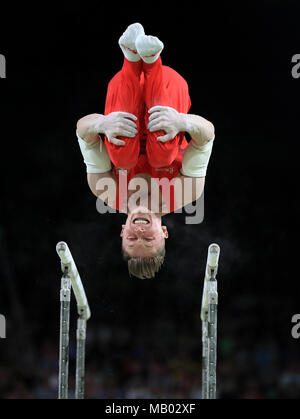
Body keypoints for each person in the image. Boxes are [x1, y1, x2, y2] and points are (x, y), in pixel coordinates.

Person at [76, 23, 215, 279]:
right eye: (149, 241)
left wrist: (101, 124)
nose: (139, 234)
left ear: (122, 231)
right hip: (167, 94)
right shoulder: (187, 191)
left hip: (125, 95)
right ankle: (151, 62)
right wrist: (182, 122)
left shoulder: (104, 189)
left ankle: (130, 57)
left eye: (131, 240)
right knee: (162, 155)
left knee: (121, 156)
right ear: (164, 233)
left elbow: (82, 130)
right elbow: (207, 135)